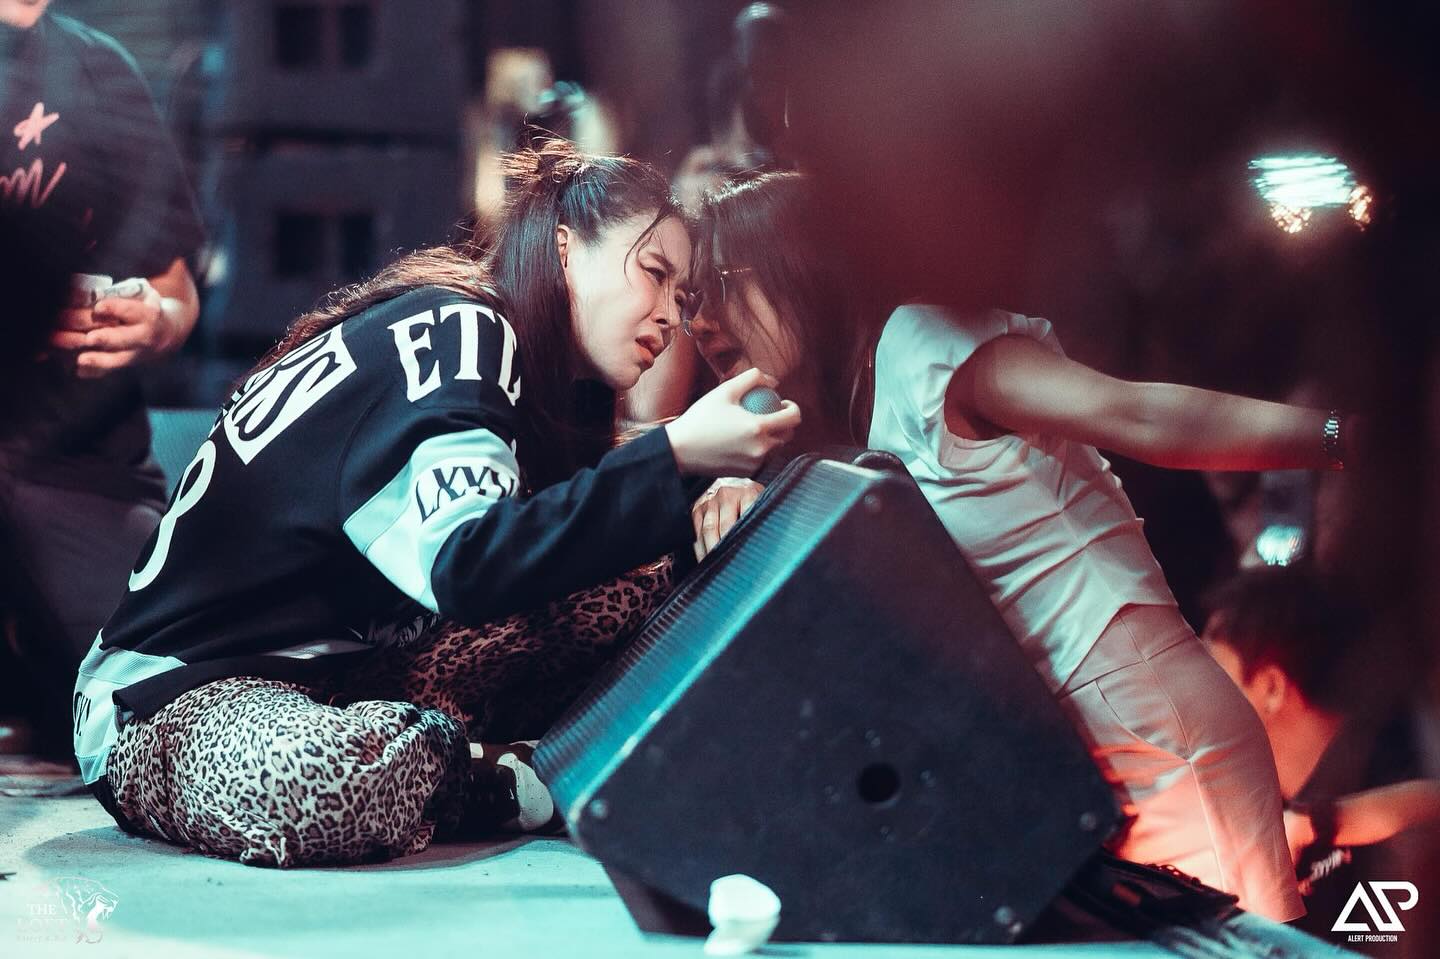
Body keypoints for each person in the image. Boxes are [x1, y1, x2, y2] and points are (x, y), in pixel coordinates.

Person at [72, 141, 801, 867]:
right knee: (323, 782)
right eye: (655, 273)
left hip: (336, 678)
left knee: (641, 575)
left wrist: (710, 485)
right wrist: (675, 455)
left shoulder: (521, 374)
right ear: (565, 248)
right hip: (169, 703)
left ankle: (471, 755)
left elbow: (558, 533)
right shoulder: (463, 327)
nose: (670, 317)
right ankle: (508, 777)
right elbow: (468, 565)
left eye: (682, 297)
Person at [683, 170, 1366, 921]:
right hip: (1089, 765)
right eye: (686, 301)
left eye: (716, 285)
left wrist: (1349, 439)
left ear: (797, 265)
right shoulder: (848, 415)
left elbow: (1135, 414)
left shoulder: (923, 347)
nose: (699, 322)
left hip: (1161, 736)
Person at [0, 0, 204, 755]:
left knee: (163, 703)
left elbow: (176, 289)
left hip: (79, 470)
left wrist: (155, 321)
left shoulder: (96, 68)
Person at [1202, 568, 1437, 950]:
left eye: (1212, 674)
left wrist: (1319, 823)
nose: (1195, 697)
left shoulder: (1395, 809)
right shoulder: (1263, 804)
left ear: (1272, 688)